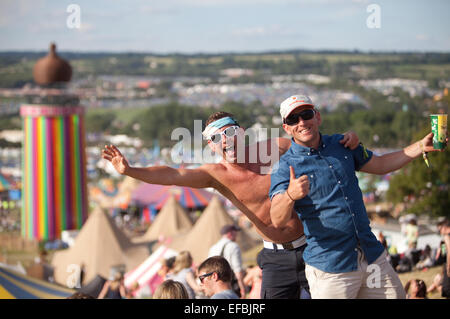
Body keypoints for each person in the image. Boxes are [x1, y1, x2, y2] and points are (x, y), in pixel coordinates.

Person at [101, 111, 360, 299]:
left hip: (312, 246)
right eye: (216, 138)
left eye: (229, 132)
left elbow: (311, 142)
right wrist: (131, 170)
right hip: (274, 256)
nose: (225, 140)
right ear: (212, 147)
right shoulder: (215, 175)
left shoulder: (273, 148)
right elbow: (173, 174)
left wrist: (345, 139)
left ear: (241, 133)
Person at [269, 94, 446, 299]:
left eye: (306, 114)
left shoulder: (341, 144)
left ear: (317, 117)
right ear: (286, 128)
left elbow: (380, 165)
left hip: (371, 255)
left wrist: (420, 147)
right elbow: (277, 219)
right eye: (293, 119)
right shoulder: (285, 167)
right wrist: (290, 195)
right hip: (332, 267)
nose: (302, 122)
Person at [208, 224, 246, 298]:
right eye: (235, 232)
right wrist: (242, 288)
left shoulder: (213, 248)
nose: (237, 235)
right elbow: (237, 270)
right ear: (230, 233)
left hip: (215, 283)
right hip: (229, 284)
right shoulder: (233, 246)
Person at [437, 218, 450, 298]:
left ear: (444, 227)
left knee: (446, 289)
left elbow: (449, 252)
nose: (440, 232)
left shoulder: (447, 237)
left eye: (440, 229)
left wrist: (448, 266)